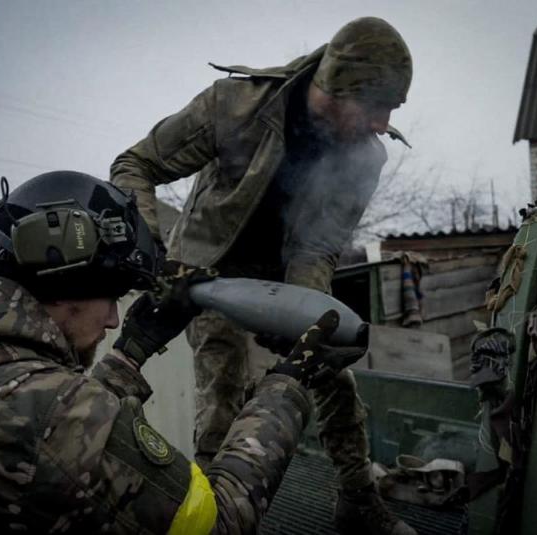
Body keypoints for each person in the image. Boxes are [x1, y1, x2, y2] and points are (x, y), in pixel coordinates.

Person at [0, 171, 366, 534]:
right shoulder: (46, 415)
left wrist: (129, 355)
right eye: (112, 295)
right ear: (67, 283)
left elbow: (35, 423)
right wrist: (287, 387)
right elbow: (216, 521)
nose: (114, 319)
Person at [110, 16, 415, 535]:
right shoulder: (233, 107)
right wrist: (153, 256)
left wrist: (304, 308)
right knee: (221, 394)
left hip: (286, 275)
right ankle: (212, 518)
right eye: (377, 106)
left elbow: (319, 244)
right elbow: (136, 164)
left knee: (334, 376)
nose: (383, 124)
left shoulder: (365, 156)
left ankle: (358, 501)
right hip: (206, 271)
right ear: (339, 87)